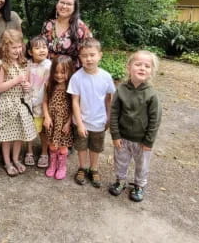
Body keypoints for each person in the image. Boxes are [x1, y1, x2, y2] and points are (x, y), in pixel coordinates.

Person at [109, 50, 162, 202]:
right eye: (138, 64)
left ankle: (139, 185)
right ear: (129, 67)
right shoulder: (121, 89)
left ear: (151, 71)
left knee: (142, 165)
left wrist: (149, 141)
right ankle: (120, 181)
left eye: (147, 66)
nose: (142, 68)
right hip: (123, 138)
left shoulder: (151, 94)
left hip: (142, 141)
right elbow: (113, 113)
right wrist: (115, 135)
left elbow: (155, 120)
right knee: (120, 161)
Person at [67, 38, 115, 188]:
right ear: (80, 58)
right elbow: (74, 101)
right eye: (84, 55)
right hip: (81, 121)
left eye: (92, 55)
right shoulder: (76, 77)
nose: (88, 59)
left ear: (100, 55)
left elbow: (108, 99)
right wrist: (79, 123)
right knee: (81, 147)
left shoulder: (106, 77)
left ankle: (93, 169)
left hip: (99, 121)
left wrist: (108, 118)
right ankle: (82, 167)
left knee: (95, 147)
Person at [0, 29, 37, 177]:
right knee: (7, 137)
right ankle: (7, 162)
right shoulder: (1, 65)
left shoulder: (24, 63)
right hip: (8, 104)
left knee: (19, 134)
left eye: (19, 46)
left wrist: (27, 87)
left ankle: (16, 159)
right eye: (14, 47)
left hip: (22, 104)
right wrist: (16, 81)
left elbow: (29, 84)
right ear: (5, 47)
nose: (17, 50)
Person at [40, 0, 92, 66]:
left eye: (69, 4)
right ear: (57, 4)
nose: (64, 6)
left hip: (72, 74)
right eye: (62, 2)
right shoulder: (48, 25)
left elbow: (88, 54)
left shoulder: (81, 28)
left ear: (75, 8)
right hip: (48, 72)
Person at [43, 56, 74, 180]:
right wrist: (46, 117)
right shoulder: (49, 85)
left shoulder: (71, 87)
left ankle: (62, 166)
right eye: (56, 72)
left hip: (64, 122)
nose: (59, 75)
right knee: (51, 144)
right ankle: (53, 164)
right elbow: (44, 102)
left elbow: (74, 106)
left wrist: (68, 122)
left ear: (70, 71)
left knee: (62, 146)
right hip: (52, 120)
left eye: (63, 72)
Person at [25, 36, 52, 168]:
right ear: (30, 52)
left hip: (43, 104)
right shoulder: (27, 65)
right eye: (37, 48)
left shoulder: (49, 66)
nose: (42, 50)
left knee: (43, 131)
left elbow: (47, 87)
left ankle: (44, 153)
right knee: (29, 128)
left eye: (44, 47)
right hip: (29, 102)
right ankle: (29, 151)